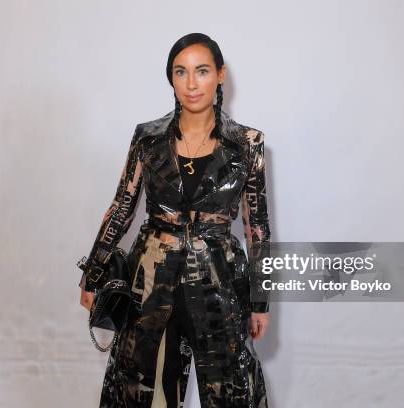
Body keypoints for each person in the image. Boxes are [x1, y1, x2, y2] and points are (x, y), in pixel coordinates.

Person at [78, 32, 271, 408]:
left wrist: (260, 300)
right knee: (143, 389)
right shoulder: (147, 138)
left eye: (201, 71)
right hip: (149, 282)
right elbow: (122, 206)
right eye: (180, 72)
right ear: (171, 78)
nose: (191, 83)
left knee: (229, 389)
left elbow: (257, 228)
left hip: (219, 284)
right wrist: (94, 273)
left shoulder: (248, 143)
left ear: (220, 75)